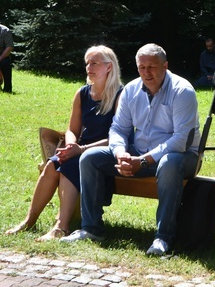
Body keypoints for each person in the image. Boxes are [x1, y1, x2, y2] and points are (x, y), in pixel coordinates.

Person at [60, 44, 201, 257]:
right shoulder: (131, 90)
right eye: (141, 67)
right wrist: (120, 153)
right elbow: (118, 129)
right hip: (139, 153)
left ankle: (163, 237)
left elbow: (180, 140)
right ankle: (91, 229)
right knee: (89, 157)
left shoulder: (183, 91)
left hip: (182, 157)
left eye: (152, 67)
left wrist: (143, 161)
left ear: (165, 66)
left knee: (168, 163)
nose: (146, 72)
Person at [5, 46, 123, 241]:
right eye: (87, 63)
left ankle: (61, 226)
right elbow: (72, 130)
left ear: (109, 67)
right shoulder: (82, 93)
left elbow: (119, 137)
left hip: (105, 151)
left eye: (94, 63)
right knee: (52, 165)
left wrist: (80, 150)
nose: (88, 67)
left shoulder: (121, 95)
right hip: (79, 149)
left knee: (68, 165)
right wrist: (70, 146)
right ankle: (29, 220)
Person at [0, 23, 14, 93]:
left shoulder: (5, 30)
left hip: (2, 56)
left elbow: (9, 47)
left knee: (6, 63)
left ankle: (7, 88)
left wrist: (0, 58)